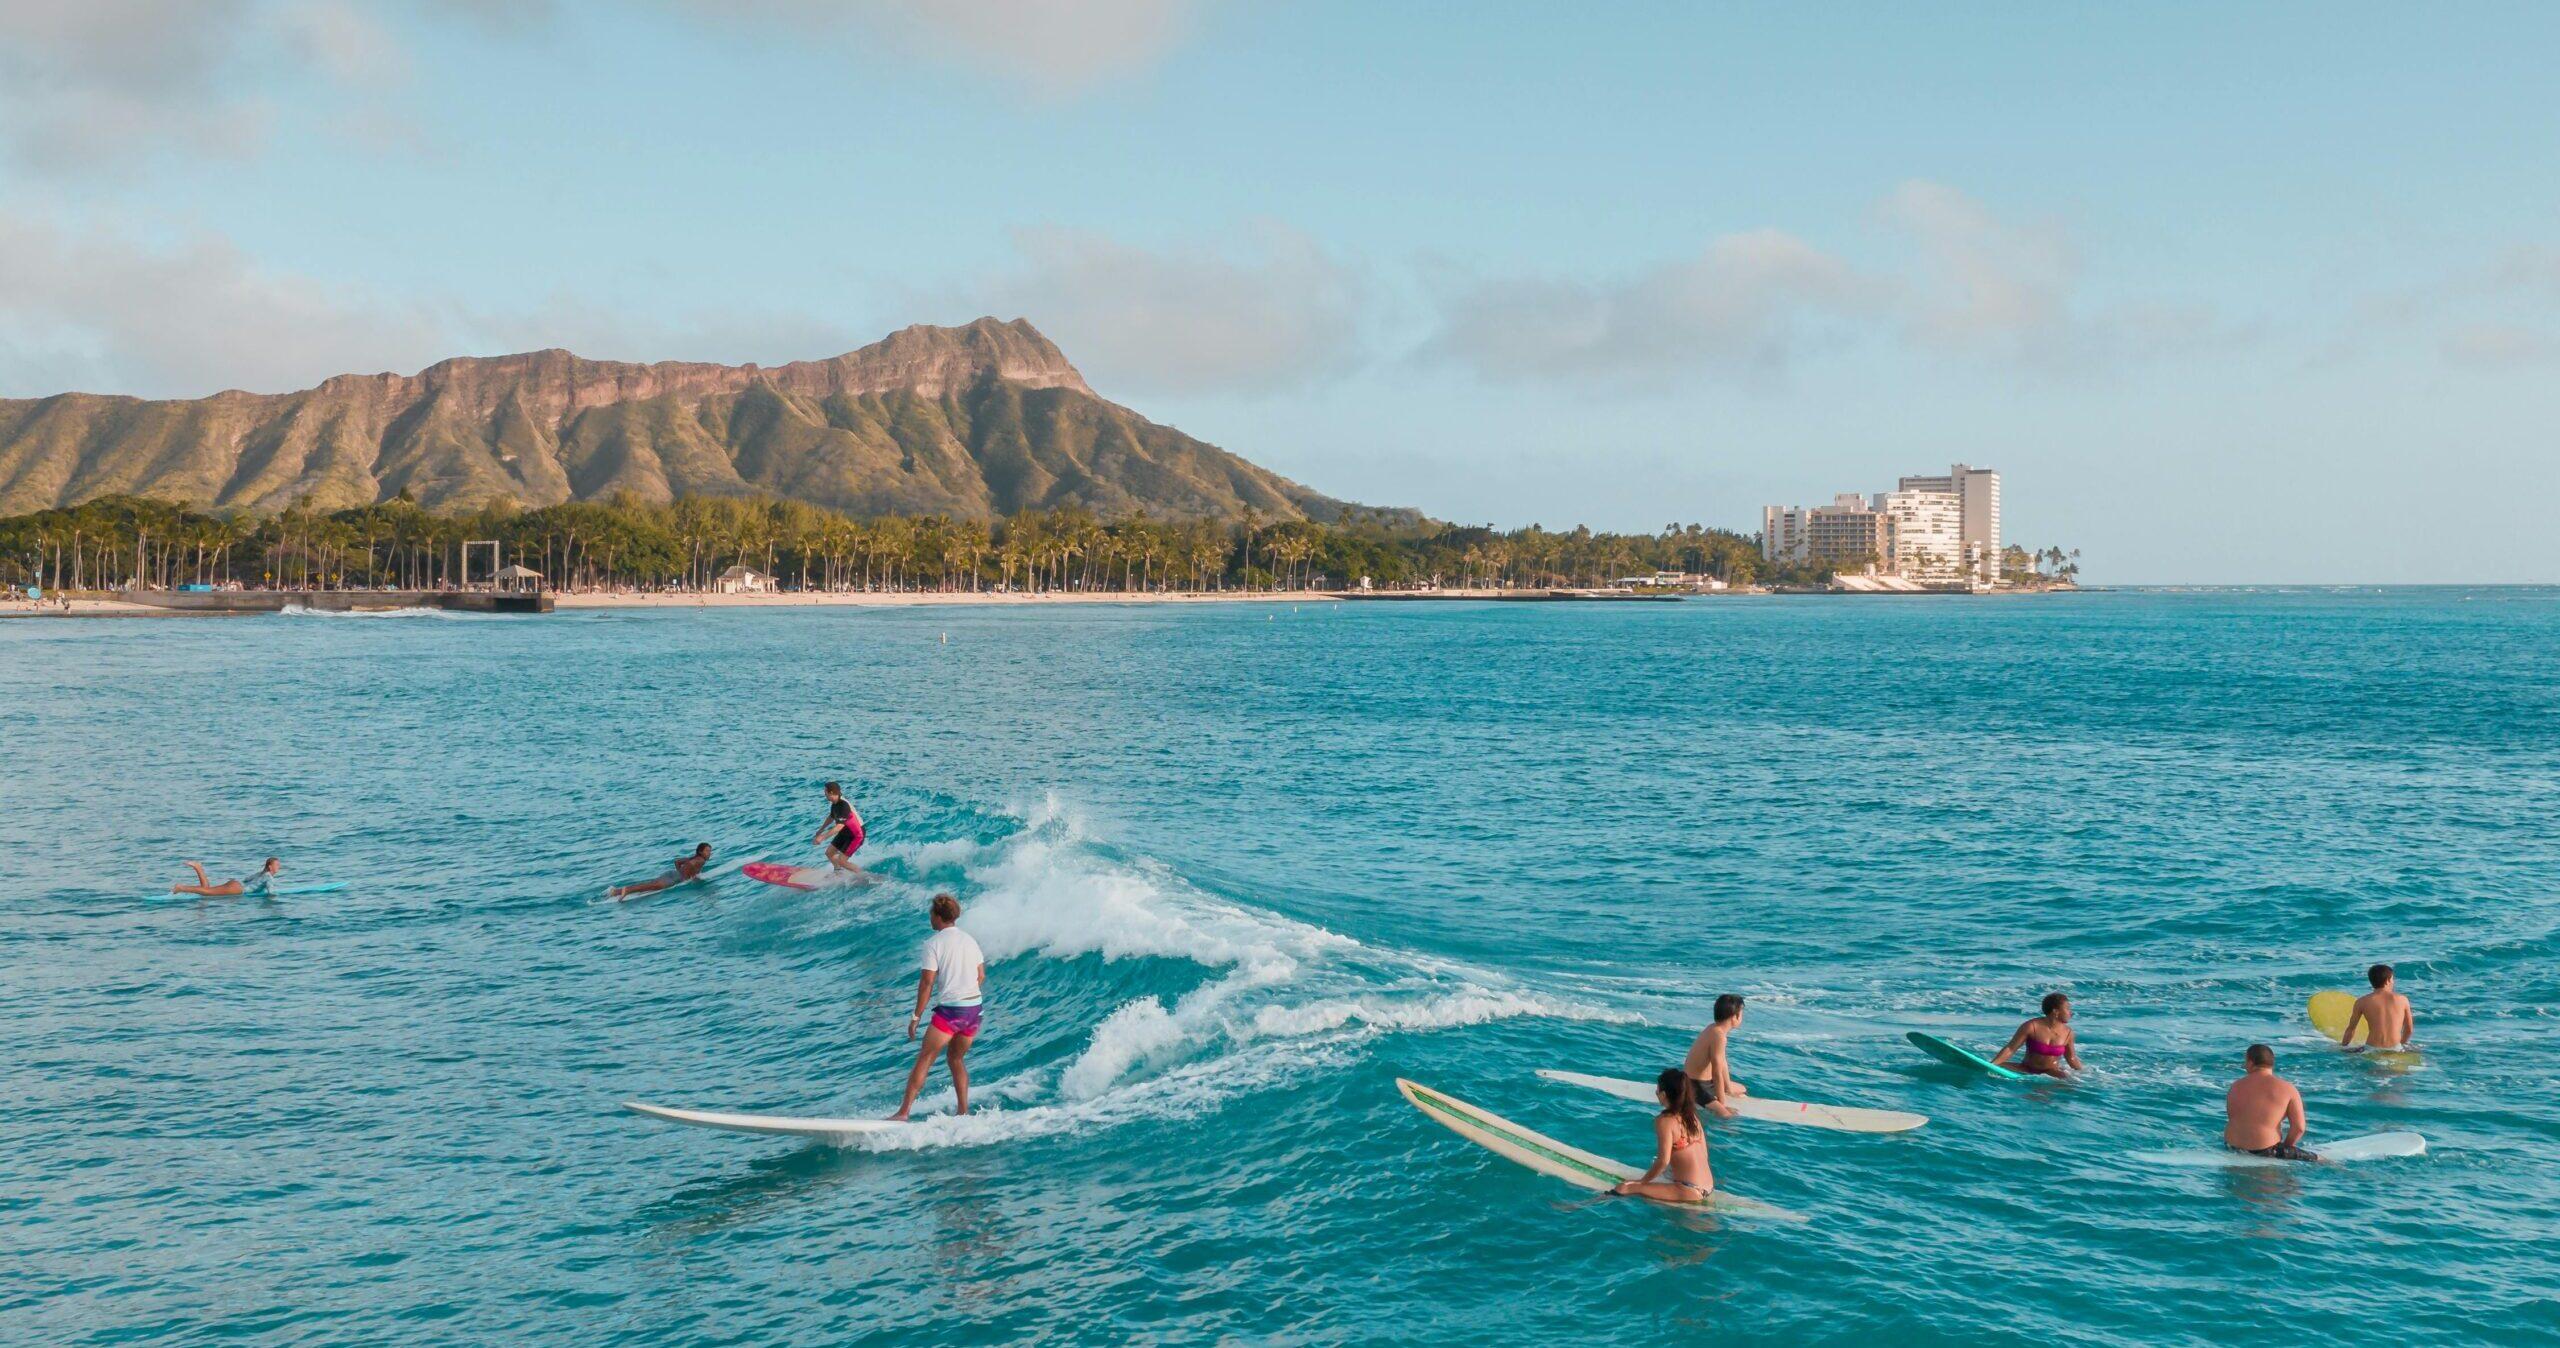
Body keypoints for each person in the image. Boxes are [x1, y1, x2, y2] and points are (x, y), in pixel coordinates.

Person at [890, 893, 986, 1121]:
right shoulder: (969, 940)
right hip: (973, 1009)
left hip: (951, 1011)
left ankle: (903, 1113)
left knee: (925, 1058)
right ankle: (963, 1112)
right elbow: (980, 975)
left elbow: (927, 983)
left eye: (931, 913)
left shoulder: (933, 944)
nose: (930, 917)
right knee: (955, 1059)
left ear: (938, 916)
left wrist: (915, 1017)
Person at [1610, 1068, 1715, 1203]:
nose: (1656, 1093)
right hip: (1708, 1186)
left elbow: (1663, 1161)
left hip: (1690, 1190)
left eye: (1658, 1090)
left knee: (1624, 1188)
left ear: (1664, 1094)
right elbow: (1704, 1155)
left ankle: (1585, 1204)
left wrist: (1641, 1182)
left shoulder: (1665, 1121)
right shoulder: (1692, 1117)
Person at [2225, 1043, 2317, 1161]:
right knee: (2322, 1160)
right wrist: (2287, 1147)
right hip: (2267, 1151)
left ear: (2251, 1062)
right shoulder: (2288, 1089)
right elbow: (2299, 1128)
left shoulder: (2235, 1086)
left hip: (2231, 1147)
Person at [1681, 994, 1748, 1119]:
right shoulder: (1719, 1036)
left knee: (1741, 1088)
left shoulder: (1713, 1029)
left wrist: (1728, 1089)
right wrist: (1722, 1104)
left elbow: (1722, 1063)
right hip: (1695, 1086)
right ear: (1735, 1017)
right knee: (1726, 1115)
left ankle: (1724, 1092)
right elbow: (1716, 1072)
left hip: (1701, 1082)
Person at [1990, 992, 2082, 1078]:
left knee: (2067, 1080)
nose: (2071, 1013)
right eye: (2068, 1009)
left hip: (2051, 1074)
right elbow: (2010, 1048)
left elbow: (2071, 1058)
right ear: (2056, 1011)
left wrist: (2082, 1074)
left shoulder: (2068, 1033)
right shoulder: (2031, 1026)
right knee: (2000, 1066)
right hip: (2026, 1069)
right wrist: (1992, 1065)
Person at [2340, 963, 2416, 1050]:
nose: (2393, 982)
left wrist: (2343, 1047)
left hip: (2371, 1048)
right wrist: (2401, 1045)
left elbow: (2351, 1029)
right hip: (2395, 1048)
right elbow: (2409, 1029)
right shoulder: (2402, 1000)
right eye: (2392, 979)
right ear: (2388, 981)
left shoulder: (2362, 1002)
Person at [608, 843, 712, 899]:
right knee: (649, 886)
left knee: (649, 885)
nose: (709, 853)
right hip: (674, 879)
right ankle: (627, 890)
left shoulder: (693, 857)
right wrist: (686, 878)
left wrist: (680, 873)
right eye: (707, 851)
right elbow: (692, 871)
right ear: (700, 851)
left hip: (671, 874)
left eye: (710, 851)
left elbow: (677, 862)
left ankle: (616, 892)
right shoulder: (701, 860)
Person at [814, 781, 866, 874]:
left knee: (842, 861)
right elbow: (831, 817)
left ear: (831, 793)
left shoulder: (843, 805)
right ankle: (838, 872)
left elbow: (839, 827)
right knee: (829, 853)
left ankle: (864, 876)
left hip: (856, 835)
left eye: (825, 791)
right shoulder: (835, 803)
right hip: (845, 831)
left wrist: (822, 837)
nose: (824, 793)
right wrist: (821, 829)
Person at [171, 857, 279, 897]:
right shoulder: (269, 877)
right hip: (238, 889)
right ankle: (181, 888)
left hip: (236, 884)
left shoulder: (260, 873)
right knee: (208, 893)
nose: (279, 867)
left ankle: (198, 867)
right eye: (277, 865)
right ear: (270, 867)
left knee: (208, 891)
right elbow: (271, 894)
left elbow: (247, 879)